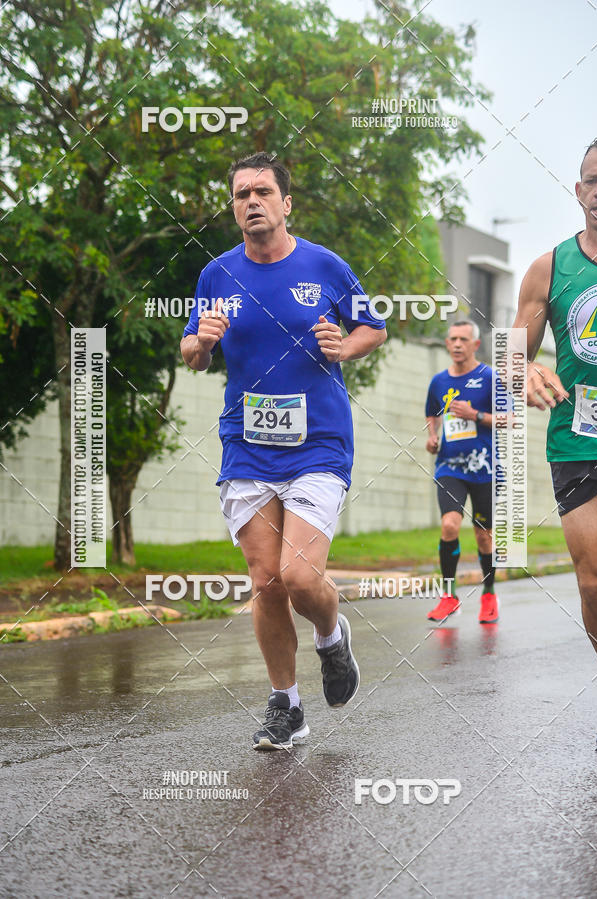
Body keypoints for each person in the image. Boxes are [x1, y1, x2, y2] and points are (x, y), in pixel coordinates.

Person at [180, 152, 386, 750]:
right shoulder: (217, 275)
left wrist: (344, 348)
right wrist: (201, 343)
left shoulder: (324, 265)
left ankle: (331, 637)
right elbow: (192, 353)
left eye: (263, 191)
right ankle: (286, 706)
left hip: (318, 442)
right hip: (246, 445)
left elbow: (373, 326)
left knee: (299, 575)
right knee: (267, 581)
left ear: (285, 202)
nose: (251, 201)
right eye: (241, 193)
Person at [512, 137, 597, 749]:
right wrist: (524, 371)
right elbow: (509, 354)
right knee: (593, 582)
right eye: (593, 180)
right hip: (578, 439)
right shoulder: (549, 268)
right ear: (578, 190)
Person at [424, 319, 499, 624]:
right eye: (452, 339)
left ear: (475, 345)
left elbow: (510, 419)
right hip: (449, 467)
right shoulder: (438, 382)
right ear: (447, 343)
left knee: (484, 537)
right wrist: (432, 436)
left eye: (463, 340)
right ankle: (448, 597)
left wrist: (475, 415)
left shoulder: (490, 377)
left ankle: (489, 594)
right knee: (449, 526)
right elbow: (432, 413)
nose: (457, 344)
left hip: (485, 469)